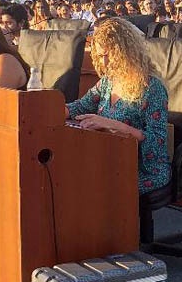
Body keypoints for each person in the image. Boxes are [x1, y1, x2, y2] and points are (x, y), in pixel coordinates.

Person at [64, 17, 170, 194]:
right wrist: (53, 109)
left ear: (126, 51)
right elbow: (81, 106)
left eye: (108, 55)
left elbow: (156, 143)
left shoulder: (152, 88)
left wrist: (112, 125)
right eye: (100, 56)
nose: (104, 62)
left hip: (144, 169)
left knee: (94, 185)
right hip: (109, 157)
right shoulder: (108, 82)